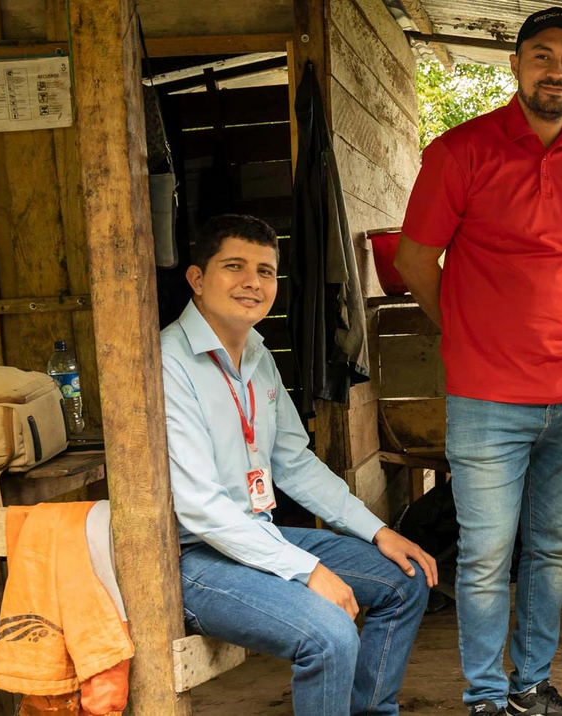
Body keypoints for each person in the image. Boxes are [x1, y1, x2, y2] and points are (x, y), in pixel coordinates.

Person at [393, 6, 562, 715]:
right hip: (487, 398)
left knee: (552, 550)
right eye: (542, 55)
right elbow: (413, 260)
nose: (556, 71)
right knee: (487, 556)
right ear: (517, 65)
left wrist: (561, 326)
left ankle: (530, 687)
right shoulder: (460, 151)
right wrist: (466, 330)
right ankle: (485, 699)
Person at [163, 215, 438, 716]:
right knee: (330, 633)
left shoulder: (258, 357)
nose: (253, 282)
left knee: (407, 576)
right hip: (193, 559)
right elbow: (200, 508)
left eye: (266, 271)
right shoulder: (168, 363)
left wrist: (378, 531)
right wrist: (308, 570)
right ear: (197, 279)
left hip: (259, 537)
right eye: (234, 266)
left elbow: (294, 464)